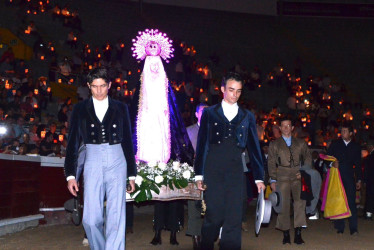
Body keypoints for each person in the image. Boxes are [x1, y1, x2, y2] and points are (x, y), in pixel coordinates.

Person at [64, 67, 137, 249]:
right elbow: (73, 142)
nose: (99, 91)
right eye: (95, 86)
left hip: (117, 157)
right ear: (89, 86)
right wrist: (71, 175)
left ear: (109, 85)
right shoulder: (80, 109)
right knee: (90, 219)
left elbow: (128, 141)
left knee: (116, 215)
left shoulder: (121, 108)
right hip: (93, 158)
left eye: (103, 86)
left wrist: (132, 175)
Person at [194, 72, 265, 250]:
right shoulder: (210, 113)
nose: (235, 94)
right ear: (223, 89)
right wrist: (198, 175)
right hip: (213, 168)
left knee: (234, 217)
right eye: (231, 90)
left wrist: (259, 178)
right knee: (214, 215)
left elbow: (254, 149)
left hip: (235, 169)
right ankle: (205, 245)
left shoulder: (246, 116)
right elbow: (202, 146)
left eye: (239, 91)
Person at [268, 117, 312, 245]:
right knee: (283, 204)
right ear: (280, 128)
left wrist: (303, 171)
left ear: (292, 128)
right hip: (282, 174)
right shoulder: (274, 144)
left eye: (288, 125)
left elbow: (308, 157)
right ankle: (286, 233)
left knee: (300, 203)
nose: (286, 128)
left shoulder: (301, 143)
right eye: (284, 126)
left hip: (298, 175)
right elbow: (271, 162)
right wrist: (273, 179)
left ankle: (298, 233)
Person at [327, 123, 362, 235]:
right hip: (337, 176)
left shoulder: (356, 146)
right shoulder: (335, 144)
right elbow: (327, 158)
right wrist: (332, 164)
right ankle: (340, 227)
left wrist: (359, 180)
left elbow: (358, 164)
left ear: (351, 133)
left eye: (345, 131)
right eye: (342, 131)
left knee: (351, 202)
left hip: (349, 176)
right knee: (339, 200)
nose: (342, 133)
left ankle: (353, 228)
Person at [186, 103, 208, 250]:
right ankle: (195, 237)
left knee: (210, 206)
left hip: (211, 173)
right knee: (194, 205)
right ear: (197, 114)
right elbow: (183, 153)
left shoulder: (216, 130)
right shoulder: (188, 131)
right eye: (202, 111)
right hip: (193, 173)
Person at [363, 140, 374, 220]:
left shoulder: (369, 158)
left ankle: (369, 214)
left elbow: (366, 171)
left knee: (370, 196)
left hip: (371, 180)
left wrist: (365, 180)